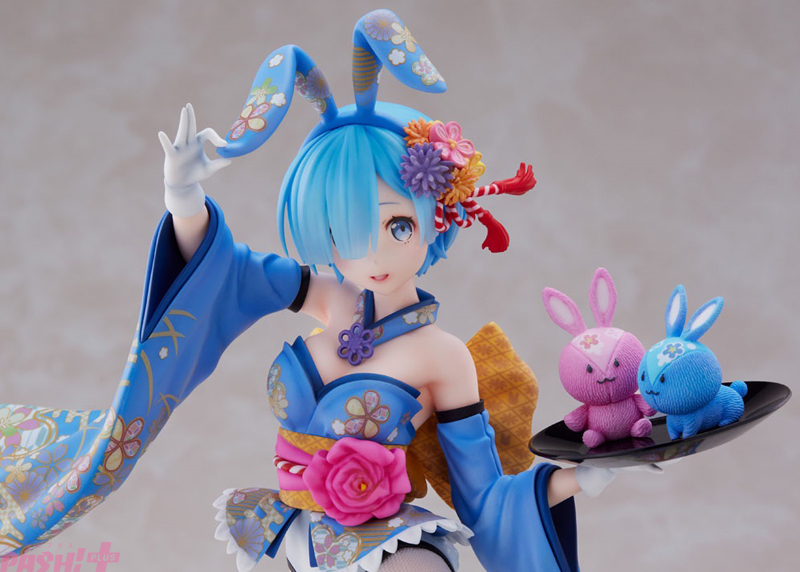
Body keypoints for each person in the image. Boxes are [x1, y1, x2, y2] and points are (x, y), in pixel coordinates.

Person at [0, 10, 631, 571]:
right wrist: (184, 199)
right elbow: (224, 273)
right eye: (347, 230)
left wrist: (578, 480)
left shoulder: (444, 357)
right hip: (293, 532)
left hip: (386, 549)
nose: (374, 254)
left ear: (437, 217)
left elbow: (483, 495)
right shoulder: (329, 298)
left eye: (398, 225)